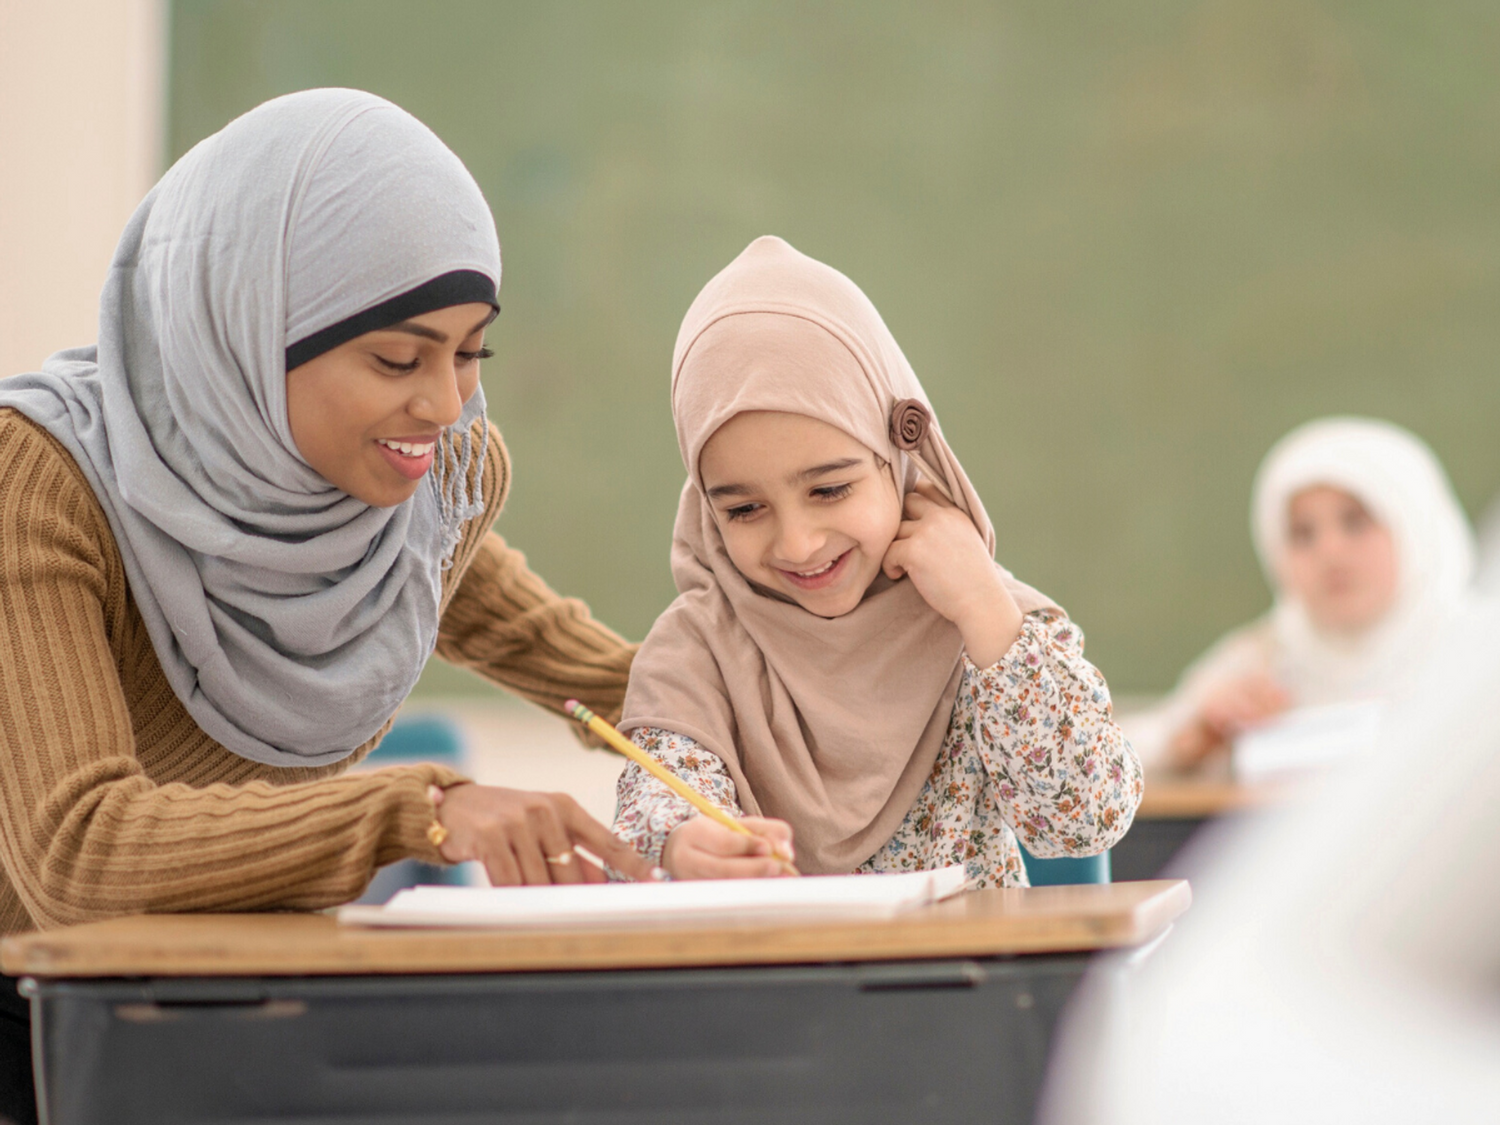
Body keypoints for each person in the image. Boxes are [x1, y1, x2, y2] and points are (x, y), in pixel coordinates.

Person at [0, 88, 655, 1124]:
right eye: (399, 358)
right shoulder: (37, 482)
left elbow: (564, 657)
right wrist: (426, 809)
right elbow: (79, 856)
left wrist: (753, 702)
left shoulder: (409, 490)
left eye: (469, 352)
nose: (445, 404)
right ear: (254, 336)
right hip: (35, 1027)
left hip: (216, 1007)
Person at [610, 236, 1141, 882]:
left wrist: (985, 614)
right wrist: (680, 847)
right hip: (781, 984)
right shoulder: (695, 651)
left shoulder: (982, 620)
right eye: (744, 509)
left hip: (972, 980)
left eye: (830, 489)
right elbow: (653, 819)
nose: (799, 543)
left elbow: (1084, 820)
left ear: (896, 454)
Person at [1123, 417, 1475, 769]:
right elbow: (1121, 756)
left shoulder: (1479, 649)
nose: (1330, 552)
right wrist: (1195, 737)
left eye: (1356, 522)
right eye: (1303, 534)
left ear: (1415, 526)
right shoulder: (1268, 656)